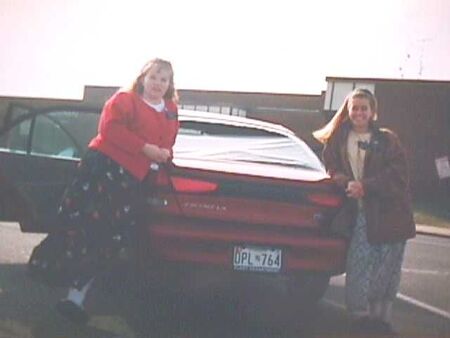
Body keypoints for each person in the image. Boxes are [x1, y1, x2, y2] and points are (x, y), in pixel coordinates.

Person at [28, 57, 179, 324]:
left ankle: (79, 298)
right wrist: (145, 148)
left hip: (132, 182)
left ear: (169, 85)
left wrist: (165, 154)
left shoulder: (170, 111)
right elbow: (109, 129)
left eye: (163, 79)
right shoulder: (124, 100)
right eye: (153, 77)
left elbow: (166, 142)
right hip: (101, 173)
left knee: (109, 239)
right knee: (80, 228)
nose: (157, 83)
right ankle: (56, 281)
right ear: (143, 77)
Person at [313, 88, 415, 335]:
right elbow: (332, 165)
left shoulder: (387, 140)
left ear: (373, 112)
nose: (359, 112)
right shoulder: (339, 139)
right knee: (358, 265)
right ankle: (360, 317)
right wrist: (343, 180)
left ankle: (381, 319)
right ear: (348, 111)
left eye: (364, 108)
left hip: (390, 214)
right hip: (358, 213)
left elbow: (398, 175)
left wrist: (365, 187)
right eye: (355, 108)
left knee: (386, 268)